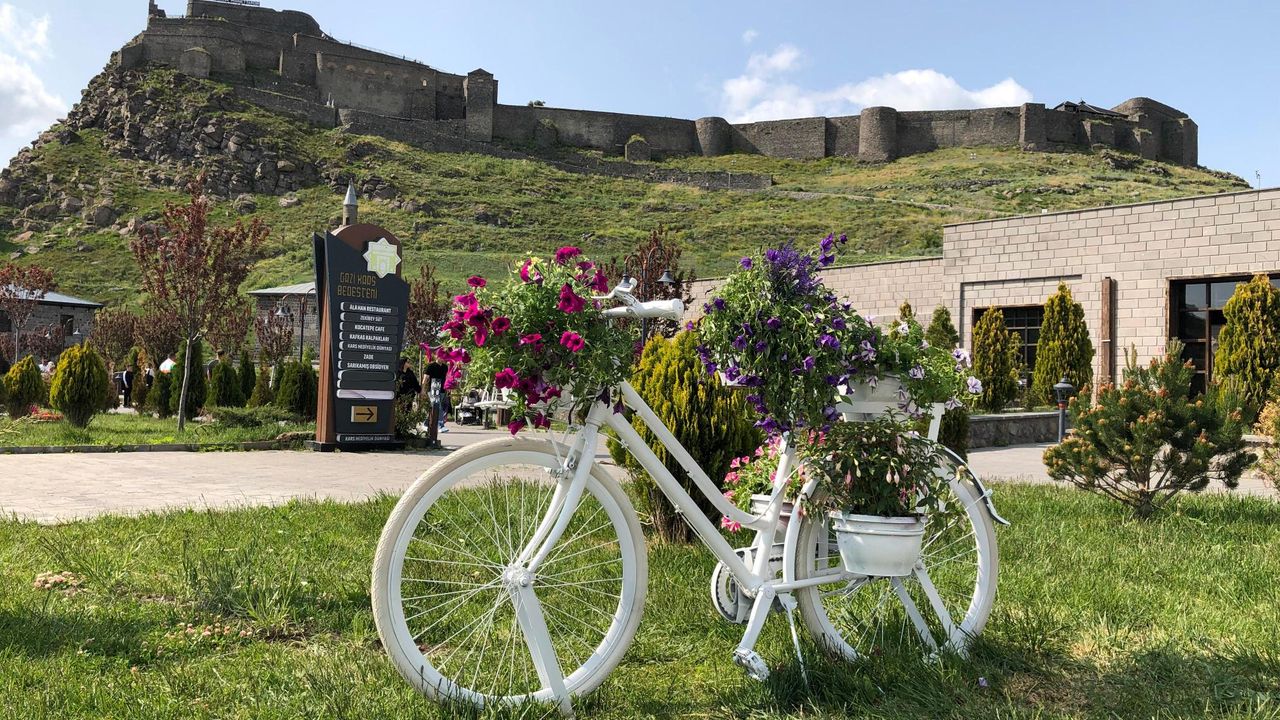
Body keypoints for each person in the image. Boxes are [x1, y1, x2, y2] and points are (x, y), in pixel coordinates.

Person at [423, 356, 449, 433]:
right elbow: (425, 378)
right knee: (438, 407)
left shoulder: (445, 367)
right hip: (432, 389)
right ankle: (440, 425)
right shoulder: (430, 366)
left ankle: (426, 423)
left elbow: (446, 378)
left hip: (442, 390)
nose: (442, 357)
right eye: (441, 355)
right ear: (436, 356)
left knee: (434, 407)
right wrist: (423, 390)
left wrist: (447, 388)